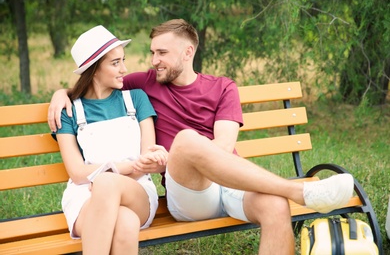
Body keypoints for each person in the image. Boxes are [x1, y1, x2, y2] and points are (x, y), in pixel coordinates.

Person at [49, 19, 353, 255]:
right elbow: (91, 85)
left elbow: (222, 148)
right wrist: (60, 94)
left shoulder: (223, 87)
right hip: (191, 193)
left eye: (162, 53)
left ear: (188, 52)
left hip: (231, 183)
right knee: (186, 139)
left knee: (275, 206)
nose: (153, 61)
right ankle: (297, 191)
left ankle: (285, 194)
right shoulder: (143, 84)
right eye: (152, 53)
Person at [53, 25, 167, 255]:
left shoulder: (136, 99)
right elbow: (76, 172)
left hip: (136, 191)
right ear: (94, 70)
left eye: (123, 60)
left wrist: (108, 175)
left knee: (105, 182)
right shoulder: (69, 111)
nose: (124, 69)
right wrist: (124, 168)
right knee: (125, 222)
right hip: (85, 196)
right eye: (115, 63)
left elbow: (145, 164)